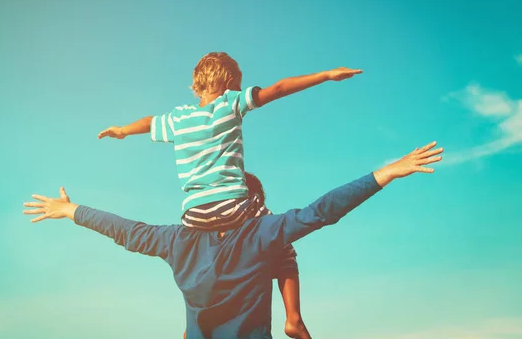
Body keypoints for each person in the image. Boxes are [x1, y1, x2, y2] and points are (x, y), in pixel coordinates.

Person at [24, 142, 443, 338]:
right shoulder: (263, 234)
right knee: (286, 245)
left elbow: (125, 231)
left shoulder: (176, 241)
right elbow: (321, 211)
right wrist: (384, 174)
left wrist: (72, 211)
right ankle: (294, 318)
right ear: (250, 202)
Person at [97, 52, 362, 337]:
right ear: (231, 81)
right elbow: (280, 89)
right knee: (282, 239)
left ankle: (193, 325)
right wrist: (325, 75)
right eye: (239, 84)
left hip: (194, 216)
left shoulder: (178, 118)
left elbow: (149, 122)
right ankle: (294, 318)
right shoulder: (230, 103)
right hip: (234, 208)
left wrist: (123, 130)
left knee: (193, 258)